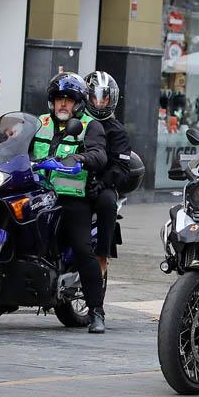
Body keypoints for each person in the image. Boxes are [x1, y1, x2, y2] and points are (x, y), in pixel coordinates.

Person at [31, 73, 109, 333]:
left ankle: (97, 311)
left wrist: (81, 159)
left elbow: (99, 155)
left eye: (68, 100)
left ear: (78, 103)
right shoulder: (38, 123)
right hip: (40, 195)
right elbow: (14, 142)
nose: (62, 105)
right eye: (58, 100)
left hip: (72, 198)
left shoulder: (90, 126)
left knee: (82, 248)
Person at [83, 71, 132, 282]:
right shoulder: (79, 123)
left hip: (102, 182)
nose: (99, 102)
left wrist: (103, 183)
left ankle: (102, 255)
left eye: (104, 98)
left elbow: (121, 166)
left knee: (107, 202)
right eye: (94, 97)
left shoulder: (117, 130)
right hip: (71, 178)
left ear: (112, 99)